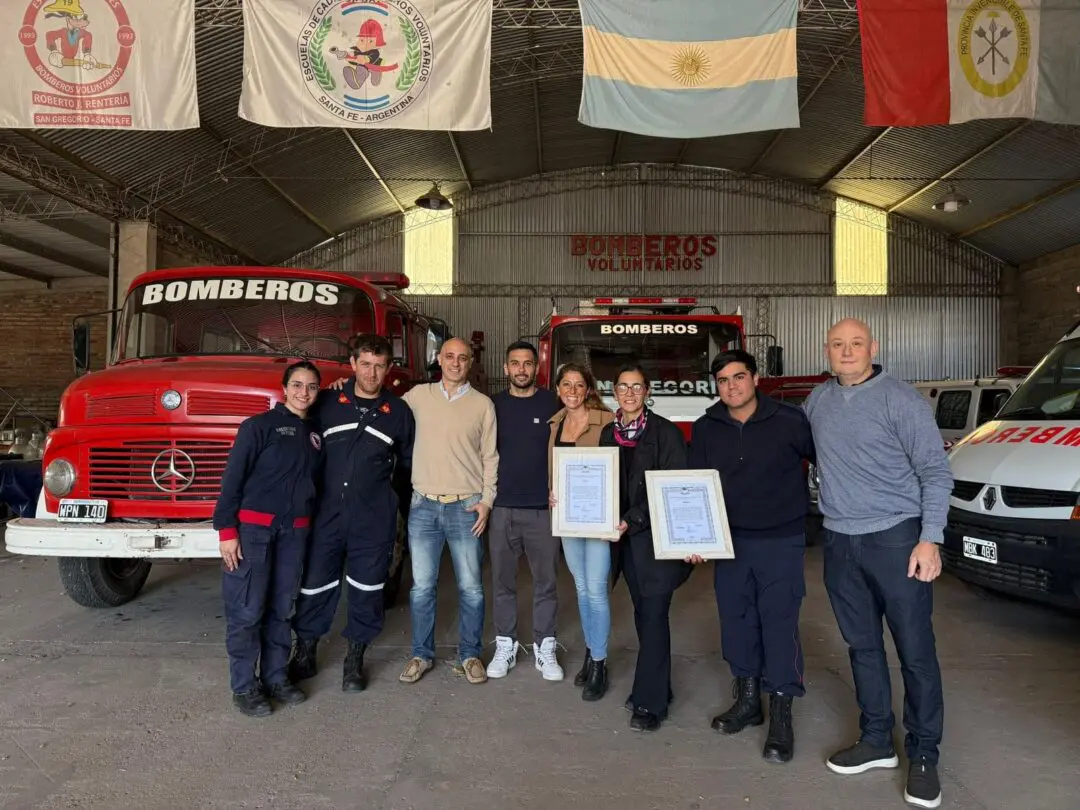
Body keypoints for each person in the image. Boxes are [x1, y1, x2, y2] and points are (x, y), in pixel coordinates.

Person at [804, 318, 951, 810]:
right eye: (838, 344)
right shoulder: (818, 401)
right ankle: (876, 741)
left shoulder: (901, 400)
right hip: (840, 542)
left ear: (875, 348)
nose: (847, 352)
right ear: (827, 350)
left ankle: (924, 755)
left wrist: (929, 539)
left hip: (896, 539)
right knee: (862, 647)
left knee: (914, 650)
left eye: (856, 344)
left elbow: (935, 471)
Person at [688, 349, 815, 764]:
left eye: (738, 377)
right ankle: (747, 700)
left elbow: (825, 464)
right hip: (730, 544)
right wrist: (694, 536)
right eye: (722, 380)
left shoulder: (790, 420)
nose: (731, 386)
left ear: (755, 378)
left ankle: (781, 710)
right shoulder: (707, 427)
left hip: (782, 539)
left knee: (779, 623)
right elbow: (694, 486)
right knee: (737, 620)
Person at [289, 335, 414, 693]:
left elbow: (405, 468)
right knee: (315, 584)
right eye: (365, 364)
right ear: (352, 363)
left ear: (389, 369)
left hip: (373, 519)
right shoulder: (327, 401)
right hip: (326, 515)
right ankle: (305, 651)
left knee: (368, 587)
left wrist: (397, 514)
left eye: (379, 365)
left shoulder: (399, 413)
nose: (372, 373)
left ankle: (355, 659)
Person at [213, 361, 323, 717]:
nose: (303, 392)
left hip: (296, 532)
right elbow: (232, 481)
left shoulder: (316, 434)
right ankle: (245, 686)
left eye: (311, 386)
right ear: (284, 388)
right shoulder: (258, 427)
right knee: (247, 610)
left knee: (282, 608)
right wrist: (227, 532)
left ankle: (276, 676)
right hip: (254, 532)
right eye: (297, 384)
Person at [398, 337, 498, 686]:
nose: (456, 363)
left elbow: (490, 457)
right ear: (438, 359)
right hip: (423, 505)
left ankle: (469, 654)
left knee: (471, 587)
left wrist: (486, 500)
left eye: (463, 358)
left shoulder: (483, 405)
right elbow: (381, 410)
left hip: (466, 505)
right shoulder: (416, 397)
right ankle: (421, 654)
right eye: (450, 356)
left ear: (471, 363)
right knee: (421, 587)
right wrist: (343, 389)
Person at [600, 364, 691, 732]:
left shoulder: (666, 434)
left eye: (637, 387)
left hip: (656, 543)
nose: (630, 393)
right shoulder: (610, 434)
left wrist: (632, 519)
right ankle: (660, 687)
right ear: (615, 392)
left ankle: (650, 703)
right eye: (623, 386)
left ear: (647, 391)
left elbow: (670, 490)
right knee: (643, 615)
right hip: (626, 547)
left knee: (653, 616)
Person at [485, 341, 564, 681]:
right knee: (502, 582)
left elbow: (587, 420)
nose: (521, 369)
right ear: (506, 368)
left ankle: (545, 646)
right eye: (515, 363)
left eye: (527, 364)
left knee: (546, 582)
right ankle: (506, 644)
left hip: (542, 510)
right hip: (501, 508)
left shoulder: (553, 403)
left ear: (537, 367)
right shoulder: (492, 406)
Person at [547, 362, 615, 698]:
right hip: (569, 519)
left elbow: (617, 472)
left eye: (579, 385)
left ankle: (600, 663)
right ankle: (591, 652)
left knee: (597, 590)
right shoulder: (555, 424)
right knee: (581, 587)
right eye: (566, 385)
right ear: (558, 389)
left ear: (588, 389)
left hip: (598, 519)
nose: (572, 391)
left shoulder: (606, 421)